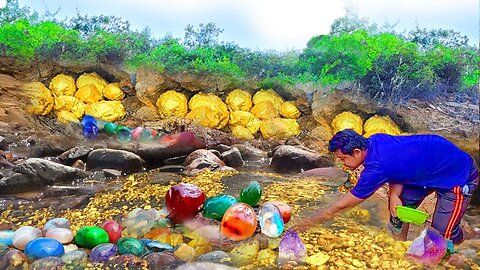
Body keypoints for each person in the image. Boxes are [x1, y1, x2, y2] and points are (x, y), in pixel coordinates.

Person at [293, 129, 479, 245]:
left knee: (440, 237)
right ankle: (399, 248)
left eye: (343, 159)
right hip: (424, 169)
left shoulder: (375, 169)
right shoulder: (374, 140)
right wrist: (393, 195)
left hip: (457, 174)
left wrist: (306, 224)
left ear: (357, 152)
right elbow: (397, 167)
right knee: (398, 212)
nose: (342, 164)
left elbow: (342, 206)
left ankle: (468, 242)